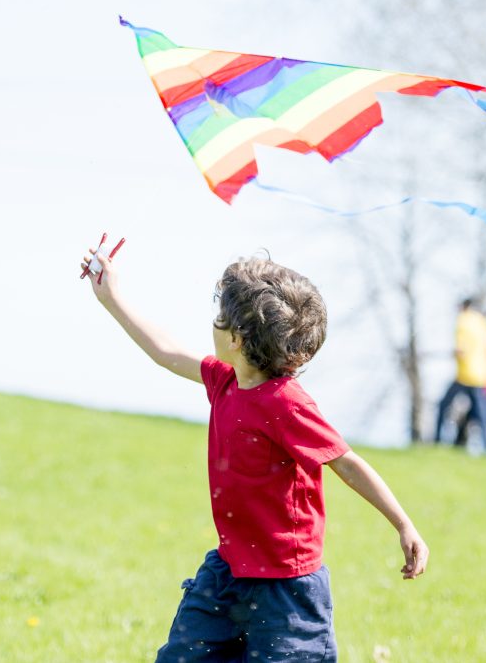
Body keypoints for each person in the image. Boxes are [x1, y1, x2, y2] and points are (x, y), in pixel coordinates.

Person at [81, 248, 428, 662]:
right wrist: (111, 297)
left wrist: (403, 524)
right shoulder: (223, 381)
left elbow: (346, 462)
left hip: (287, 590)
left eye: (217, 318)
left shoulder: (287, 404)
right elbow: (165, 351)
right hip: (227, 572)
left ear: (237, 339)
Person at [434, 298, 486, 453]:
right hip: (483, 375)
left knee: (443, 406)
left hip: (466, 375)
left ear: (464, 307)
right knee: (482, 415)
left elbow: (461, 350)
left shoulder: (463, 320)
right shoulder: (483, 322)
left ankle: (436, 441)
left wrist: (454, 353)